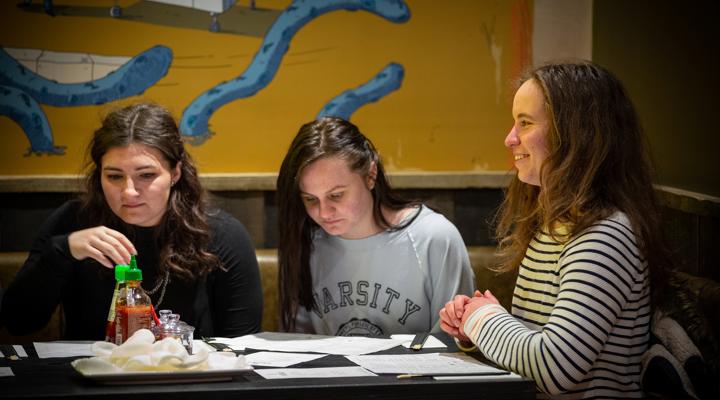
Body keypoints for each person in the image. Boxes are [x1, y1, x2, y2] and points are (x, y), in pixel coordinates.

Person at [439, 61, 671, 398]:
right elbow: (535, 354)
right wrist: (472, 332)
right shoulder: (553, 227)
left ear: (577, 135)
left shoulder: (605, 234)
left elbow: (556, 368)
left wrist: (482, 319)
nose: (509, 138)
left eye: (526, 123)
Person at [0, 103, 263, 340]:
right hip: (91, 381)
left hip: (188, 382)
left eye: (146, 175)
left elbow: (240, 345)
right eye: (114, 176)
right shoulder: (74, 221)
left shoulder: (220, 234)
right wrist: (62, 251)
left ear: (175, 173)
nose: (128, 192)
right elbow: (19, 323)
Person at [276, 117, 475, 336]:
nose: (323, 213)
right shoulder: (306, 241)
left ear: (371, 175)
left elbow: (457, 341)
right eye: (310, 199)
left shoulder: (433, 238)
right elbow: (297, 344)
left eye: (336, 195)